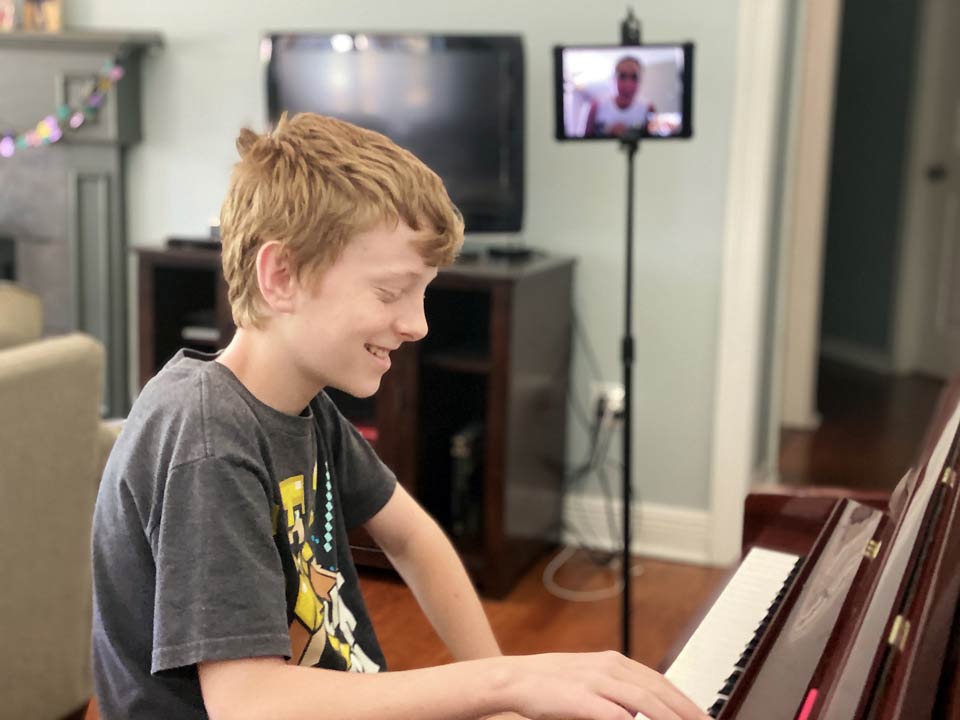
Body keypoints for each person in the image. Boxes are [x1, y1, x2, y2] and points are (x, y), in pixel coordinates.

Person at [90, 112, 708, 720]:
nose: (418, 325)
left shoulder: (303, 409)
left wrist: (503, 705)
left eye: (424, 293)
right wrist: (504, 682)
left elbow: (415, 539)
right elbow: (249, 702)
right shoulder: (208, 437)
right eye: (390, 291)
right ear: (281, 276)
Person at [584, 56, 657, 138]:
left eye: (634, 77)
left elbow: (653, 144)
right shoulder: (597, 106)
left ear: (640, 81)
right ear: (614, 78)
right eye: (622, 76)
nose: (628, 84)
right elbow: (585, 142)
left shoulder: (648, 108)